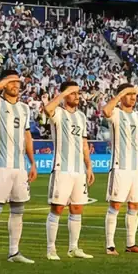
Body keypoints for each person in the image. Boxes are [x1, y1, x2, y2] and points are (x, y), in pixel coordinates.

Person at [0, 70, 36, 266]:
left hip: (19, 168)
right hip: (0, 165)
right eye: (12, 82)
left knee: (18, 209)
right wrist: (1, 83)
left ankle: (14, 252)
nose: (16, 85)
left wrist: (32, 162)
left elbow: (27, 136)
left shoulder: (24, 108)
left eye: (17, 81)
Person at [42, 82, 95, 260]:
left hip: (78, 171)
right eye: (73, 93)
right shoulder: (58, 113)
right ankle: (51, 249)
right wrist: (64, 92)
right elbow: (47, 108)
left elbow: (84, 143)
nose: (77, 96)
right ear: (65, 95)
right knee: (57, 208)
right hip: (61, 169)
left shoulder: (81, 117)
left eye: (78, 93)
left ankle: (74, 248)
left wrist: (89, 166)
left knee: (77, 208)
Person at [103, 84, 138, 255]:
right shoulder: (115, 113)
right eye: (128, 94)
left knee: (135, 205)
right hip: (119, 167)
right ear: (121, 96)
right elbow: (106, 111)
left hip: (136, 168)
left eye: (134, 95)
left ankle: (131, 244)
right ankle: (110, 245)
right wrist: (120, 93)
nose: (132, 98)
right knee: (115, 205)